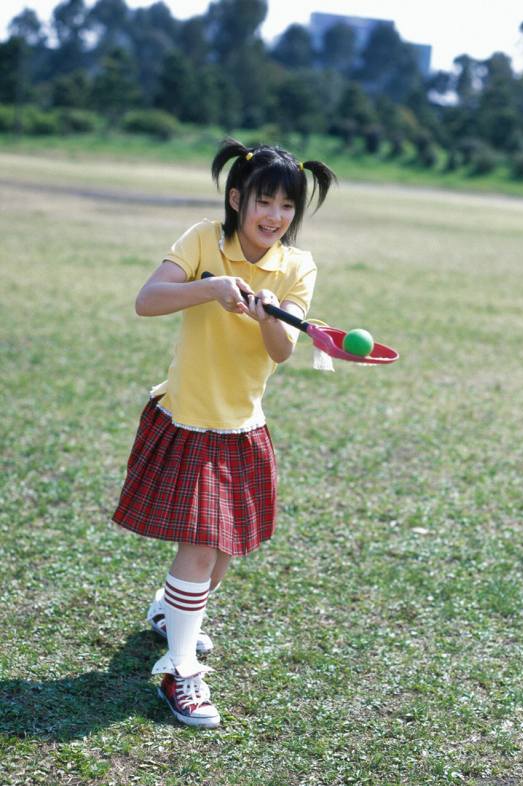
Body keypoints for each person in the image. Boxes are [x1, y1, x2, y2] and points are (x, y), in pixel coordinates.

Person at [112, 137, 337, 728]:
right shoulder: (202, 241)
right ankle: (179, 669)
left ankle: (169, 612)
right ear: (237, 198)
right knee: (202, 543)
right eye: (265, 201)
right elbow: (147, 300)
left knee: (223, 551)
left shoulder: (296, 266)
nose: (276, 217)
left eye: (288, 207)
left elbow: (283, 351)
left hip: (242, 427)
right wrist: (211, 287)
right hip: (187, 417)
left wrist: (269, 316)